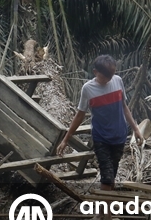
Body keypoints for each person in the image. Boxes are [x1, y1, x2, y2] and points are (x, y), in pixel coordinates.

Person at [56, 55, 143, 190]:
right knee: (107, 177)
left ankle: (105, 206)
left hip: (119, 136)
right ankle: (105, 210)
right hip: (101, 138)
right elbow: (80, 115)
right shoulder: (88, 89)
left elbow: (124, 107)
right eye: (105, 76)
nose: (108, 80)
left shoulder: (118, 81)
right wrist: (66, 139)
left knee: (112, 172)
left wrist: (136, 130)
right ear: (95, 72)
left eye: (111, 76)